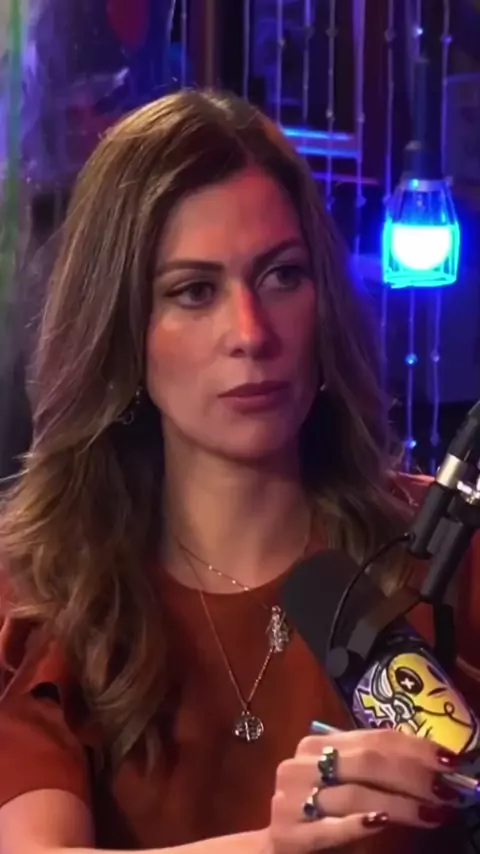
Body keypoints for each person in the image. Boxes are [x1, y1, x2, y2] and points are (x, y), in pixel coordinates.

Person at [0, 88, 479, 854]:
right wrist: (276, 847)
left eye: (282, 276)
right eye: (194, 292)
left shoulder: (446, 554)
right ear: (123, 329)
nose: (251, 333)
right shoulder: (41, 591)